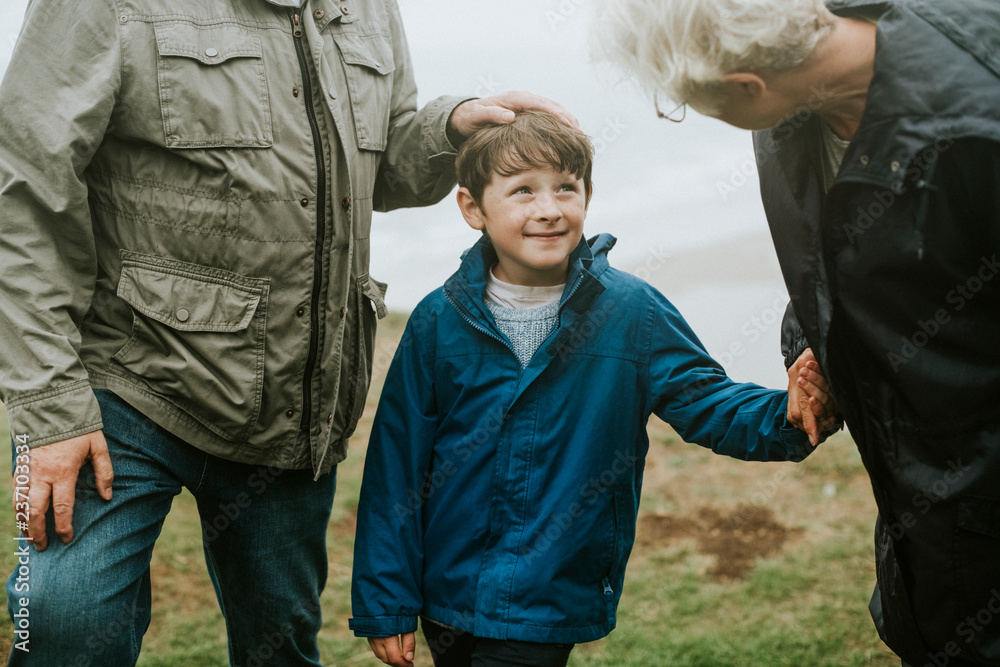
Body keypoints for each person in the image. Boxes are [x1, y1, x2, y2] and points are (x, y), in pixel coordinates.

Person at [0, 0, 579, 663]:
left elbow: (379, 162)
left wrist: (450, 128)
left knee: (280, 648)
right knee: (59, 625)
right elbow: (22, 190)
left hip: (297, 397)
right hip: (122, 384)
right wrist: (51, 410)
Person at [348, 110, 833, 667]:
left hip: (548, 592)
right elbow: (396, 467)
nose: (549, 209)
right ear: (472, 208)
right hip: (445, 593)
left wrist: (796, 412)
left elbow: (711, 404)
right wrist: (386, 601)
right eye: (523, 191)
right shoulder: (438, 319)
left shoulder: (632, 312)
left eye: (566, 188)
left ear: (587, 195)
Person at [595, 0, 1000, 664]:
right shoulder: (791, 111)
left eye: (692, 105)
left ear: (745, 86)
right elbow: (851, 256)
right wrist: (826, 346)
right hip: (925, 534)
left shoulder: (981, 123)